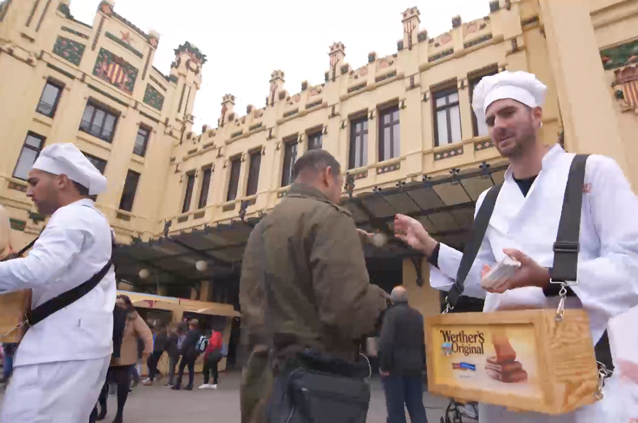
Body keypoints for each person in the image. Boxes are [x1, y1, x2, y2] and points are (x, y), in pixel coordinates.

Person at [394, 71, 638, 423]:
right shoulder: (488, 201)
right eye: (490, 119)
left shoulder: (592, 172)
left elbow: (631, 263)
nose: (497, 125)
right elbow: (488, 279)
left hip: (583, 375)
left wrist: (548, 277)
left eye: (508, 113)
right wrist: (431, 248)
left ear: (537, 115)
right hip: (506, 381)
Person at [240, 149, 388, 423]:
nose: (340, 194)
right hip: (313, 392)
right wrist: (382, 301)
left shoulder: (260, 229)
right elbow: (348, 312)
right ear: (327, 176)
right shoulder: (332, 217)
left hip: (259, 390)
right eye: (341, 186)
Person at [0, 143, 115, 423]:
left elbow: (40, 268)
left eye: (34, 182)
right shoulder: (92, 218)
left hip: (58, 351)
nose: (28, 191)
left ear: (61, 180)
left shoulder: (72, 215)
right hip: (73, 347)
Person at [95, 295, 152, 423]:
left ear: (127, 305)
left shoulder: (133, 318)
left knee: (122, 389)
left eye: (121, 304)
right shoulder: (107, 315)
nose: (118, 306)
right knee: (100, 388)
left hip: (124, 360)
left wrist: (146, 353)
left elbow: (147, 334)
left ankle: (119, 414)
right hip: (106, 358)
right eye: (116, 303)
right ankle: (103, 410)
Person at [378, 286, 427, 423]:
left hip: (395, 370)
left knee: (396, 411)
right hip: (415, 369)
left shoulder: (391, 315)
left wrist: (383, 366)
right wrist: (422, 363)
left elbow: (385, 342)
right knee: (417, 408)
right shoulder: (418, 315)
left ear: (392, 300)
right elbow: (423, 342)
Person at [172, 319, 201, 391]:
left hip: (187, 353)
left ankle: (178, 384)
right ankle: (190, 384)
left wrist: (181, 352)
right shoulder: (198, 333)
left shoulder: (190, 333)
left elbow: (186, 343)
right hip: (194, 353)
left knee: (181, 367)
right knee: (191, 368)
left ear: (191, 326)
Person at [143, 321, 168, 386]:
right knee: (149, 362)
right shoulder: (156, 332)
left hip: (157, 350)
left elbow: (162, 341)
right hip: (153, 349)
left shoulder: (162, 332)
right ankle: (157, 373)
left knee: (153, 363)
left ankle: (150, 379)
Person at [165, 322, 185, 387]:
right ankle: (175, 381)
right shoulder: (179, 336)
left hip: (172, 353)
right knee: (173, 368)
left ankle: (170, 382)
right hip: (177, 353)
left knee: (171, 368)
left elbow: (166, 343)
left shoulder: (171, 336)